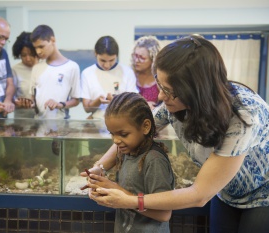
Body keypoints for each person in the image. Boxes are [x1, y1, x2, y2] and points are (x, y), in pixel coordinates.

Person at [86, 36, 269, 233]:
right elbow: (135, 132)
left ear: (196, 92)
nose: (160, 97)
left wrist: (128, 200)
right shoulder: (173, 106)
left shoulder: (242, 117)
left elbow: (199, 195)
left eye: (170, 91)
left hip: (261, 195)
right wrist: (99, 167)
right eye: (160, 84)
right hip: (225, 192)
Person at [85, 92, 174, 232]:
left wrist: (116, 190)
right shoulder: (125, 152)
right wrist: (98, 171)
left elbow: (164, 214)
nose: (115, 140)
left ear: (145, 126)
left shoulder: (154, 160)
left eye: (123, 134)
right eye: (112, 133)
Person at [26, 24, 81, 119]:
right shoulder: (36, 68)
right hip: (39, 125)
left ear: (52, 40)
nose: (38, 51)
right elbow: (33, 98)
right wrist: (30, 104)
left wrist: (60, 104)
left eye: (41, 46)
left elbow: (76, 100)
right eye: (35, 48)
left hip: (61, 125)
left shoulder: (72, 67)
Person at [81, 35, 138, 119]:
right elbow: (87, 108)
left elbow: (133, 104)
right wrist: (98, 101)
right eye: (102, 60)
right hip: (96, 122)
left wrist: (116, 101)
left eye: (111, 60)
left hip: (121, 122)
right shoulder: (87, 73)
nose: (107, 65)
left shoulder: (127, 72)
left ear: (117, 56)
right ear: (95, 53)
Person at [12, 31, 39, 118]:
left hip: (42, 118)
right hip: (22, 120)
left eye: (31, 54)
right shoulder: (15, 70)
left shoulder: (45, 67)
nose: (27, 59)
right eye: (23, 55)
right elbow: (10, 97)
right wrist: (16, 102)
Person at [132, 36, 160, 109]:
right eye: (135, 56)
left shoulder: (159, 79)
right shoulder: (129, 75)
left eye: (142, 58)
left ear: (153, 59)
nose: (136, 60)